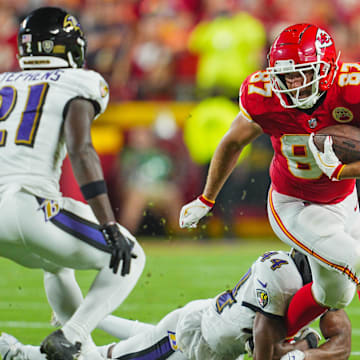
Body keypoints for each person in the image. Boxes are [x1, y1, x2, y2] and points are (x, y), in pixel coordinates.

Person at [179, 23, 360, 340]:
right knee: (354, 259)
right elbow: (232, 143)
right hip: (295, 204)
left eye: (302, 73)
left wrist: (343, 171)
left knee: (335, 296)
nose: (292, 84)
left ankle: (273, 337)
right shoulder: (264, 96)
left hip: (344, 198)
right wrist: (206, 198)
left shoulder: (351, 90)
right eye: (286, 75)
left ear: (328, 68)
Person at [0, 6, 146, 360]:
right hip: (28, 205)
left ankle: (81, 353)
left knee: (56, 264)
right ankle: (74, 335)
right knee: (130, 255)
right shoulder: (79, 81)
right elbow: (82, 152)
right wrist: (109, 223)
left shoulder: (4, 81)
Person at [0, 250, 352, 360]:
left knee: (130, 341)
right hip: (190, 339)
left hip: (201, 324)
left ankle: (86, 318)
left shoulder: (324, 291)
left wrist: (304, 353)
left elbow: (343, 344)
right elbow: (265, 349)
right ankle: (20, 353)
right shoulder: (282, 275)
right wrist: (298, 350)